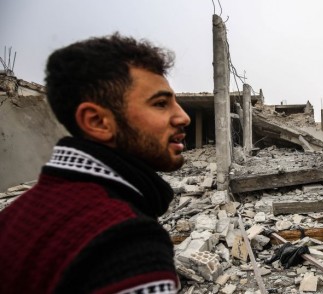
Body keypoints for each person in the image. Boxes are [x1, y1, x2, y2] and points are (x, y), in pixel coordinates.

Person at [0, 33, 190, 294]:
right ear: (97, 122)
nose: (183, 117)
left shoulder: (13, 216)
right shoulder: (128, 245)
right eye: (160, 104)